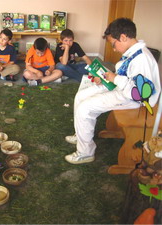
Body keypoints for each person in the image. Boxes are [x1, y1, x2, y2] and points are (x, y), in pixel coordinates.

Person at [64, 18, 161, 164]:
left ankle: (85, 152)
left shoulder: (142, 59)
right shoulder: (133, 52)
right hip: (122, 89)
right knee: (81, 95)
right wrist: (105, 77)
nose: (114, 49)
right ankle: (80, 134)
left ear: (123, 37)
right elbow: (125, 76)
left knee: (85, 108)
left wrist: (114, 78)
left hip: (134, 100)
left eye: (113, 44)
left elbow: (141, 94)